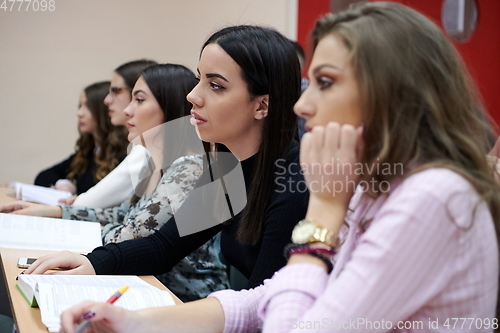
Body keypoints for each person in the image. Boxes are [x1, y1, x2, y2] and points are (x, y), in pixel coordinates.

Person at [59, 2, 499, 333]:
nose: (305, 104)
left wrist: (323, 212)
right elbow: (262, 299)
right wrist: (134, 320)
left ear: (392, 93)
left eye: (325, 83)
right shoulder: (370, 189)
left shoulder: (431, 197)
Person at [15, 25, 308, 299]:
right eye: (199, 80)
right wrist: (90, 263)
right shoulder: (226, 167)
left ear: (262, 105)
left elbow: (260, 304)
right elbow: (164, 246)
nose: (192, 96)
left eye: (215, 86)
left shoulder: (293, 182)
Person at [3, 64, 229, 301]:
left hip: (181, 300)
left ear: (170, 107)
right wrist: (54, 212)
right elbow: (118, 217)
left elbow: (129, 237)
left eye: (139, 100)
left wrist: (63, 225)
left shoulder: (190, 168)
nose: (128, 111)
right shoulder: (153, 165)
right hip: (139, 286)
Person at [62, 59, 158, 207]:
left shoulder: (149, 147)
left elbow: (87, 204)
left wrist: (69, 207)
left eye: (116, 91)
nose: (106, 100)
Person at [34, 81, 127, 195]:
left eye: (87, 106)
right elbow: (43, 176)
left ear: (105, 110)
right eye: (79, 106)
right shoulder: (90, 151)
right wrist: (61, 183)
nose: (79, 113)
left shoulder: (123, 155)